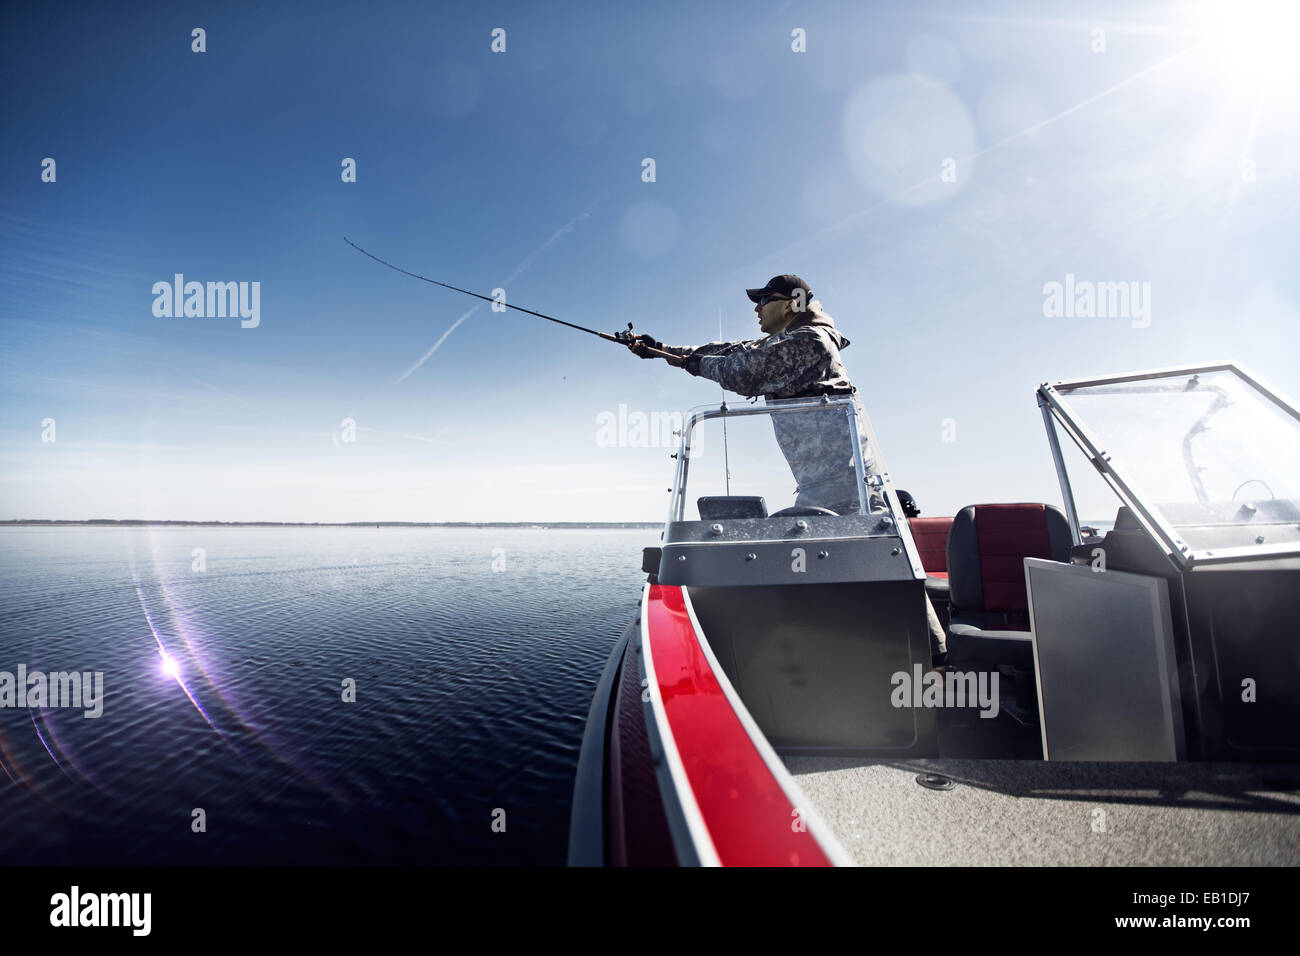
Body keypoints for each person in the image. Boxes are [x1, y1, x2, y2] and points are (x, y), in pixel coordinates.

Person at [628, 274, 949, 666]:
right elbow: (728, 350)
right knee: (874, 570)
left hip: (847, 483)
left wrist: (687, 362)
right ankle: (915, 655)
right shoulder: (788, 340)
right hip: (824, 480)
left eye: (764, 299)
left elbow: (744, 372)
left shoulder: (810, 342)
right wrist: (660, 351)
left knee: (882, 566)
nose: (756, 308)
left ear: (793, 302)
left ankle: (928, 661)